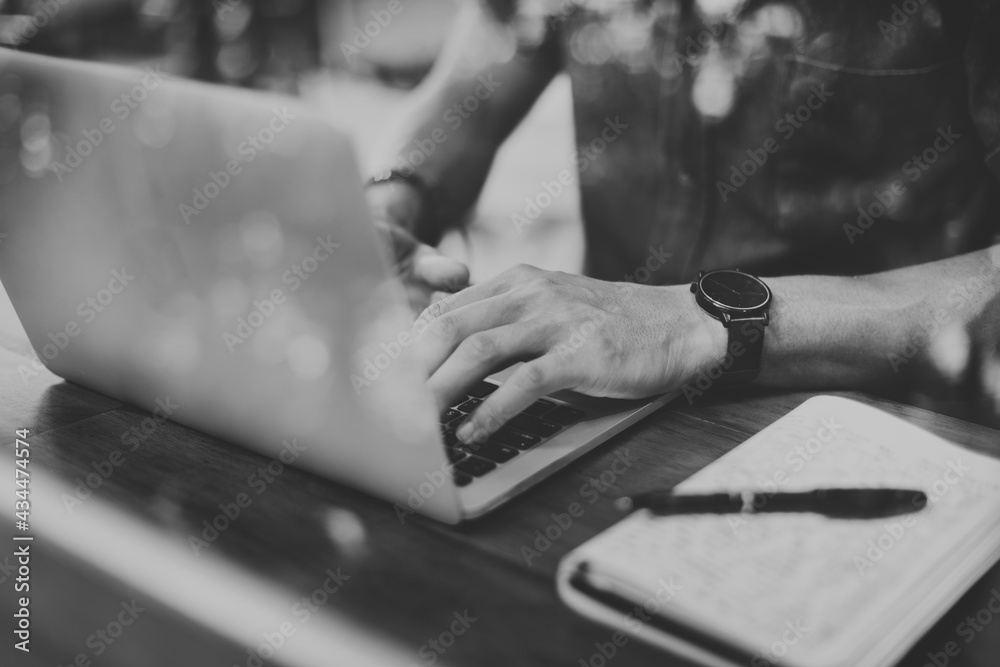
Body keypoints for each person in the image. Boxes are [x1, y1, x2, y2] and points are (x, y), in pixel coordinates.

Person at [364, 0, 1000, 442]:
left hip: (891, 440)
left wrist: (697, 323)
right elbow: (468, 94)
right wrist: (394, 196)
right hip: (595, 409)